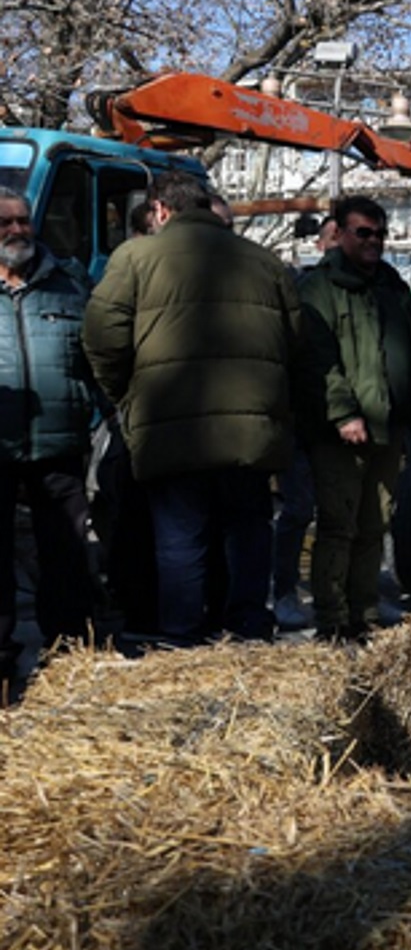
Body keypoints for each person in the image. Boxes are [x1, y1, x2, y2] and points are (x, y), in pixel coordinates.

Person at [81, 172, 305, 646]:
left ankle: (183, 639)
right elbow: (296, 341)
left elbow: (101, 335)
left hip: (170, 422)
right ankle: (246, 629)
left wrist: (125, 394)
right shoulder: (264, 262)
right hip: (251, 428)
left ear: (160, 210)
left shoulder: (136, 257)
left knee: (181, 539)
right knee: (248, 530)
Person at [296, 196, 411, 643]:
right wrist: (343, 413)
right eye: (364, 233)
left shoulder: (391, 284)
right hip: (342, 431)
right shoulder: (319, 287)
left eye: (380, 233)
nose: (374, 241)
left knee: (376, 525)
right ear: (338, 234)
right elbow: (316, 360)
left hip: (389, 427)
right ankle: (332, 618)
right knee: (339, 525)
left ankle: (364, 611)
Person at [0, 193, 106, 695]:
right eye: (6, 222)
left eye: (24, 220)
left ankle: (69, 656)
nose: (18, 230)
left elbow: (96, 356)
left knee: (65, 556)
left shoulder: (68, 283)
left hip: (60, 443)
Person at [273, 212, 339, 631]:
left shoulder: (375, 288)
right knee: (297, 510)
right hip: (298, 416)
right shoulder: (299, 288)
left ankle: (339, 595)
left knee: (342, 514)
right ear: (320, 243)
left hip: (341, 419)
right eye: (333, 237)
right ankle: (283, 592)